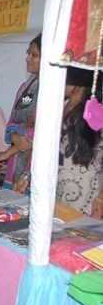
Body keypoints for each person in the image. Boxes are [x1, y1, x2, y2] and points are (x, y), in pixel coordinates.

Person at [0, 34, 42, 192]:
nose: (28, 58)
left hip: (36, 163)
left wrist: (11, 150)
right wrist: (15, 138)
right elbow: (12, 120)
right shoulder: (25, 87)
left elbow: (44, 132)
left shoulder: (56, 92)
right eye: (28, 53)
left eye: (34, 55)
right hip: (15, 160)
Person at [57, 67, 102, 217]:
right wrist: (27, 175)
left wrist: (101, 199)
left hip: (86, 192)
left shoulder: (96, 111)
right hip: (57, 186)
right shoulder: (57, 107)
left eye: (65, 77)